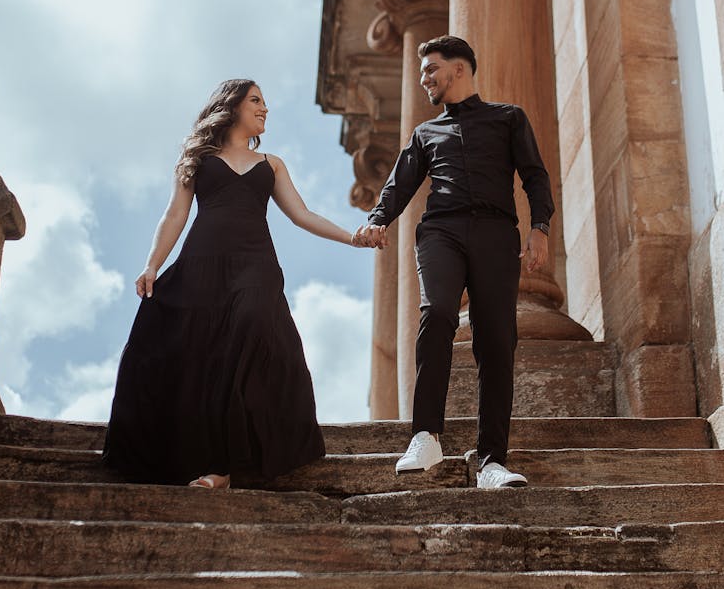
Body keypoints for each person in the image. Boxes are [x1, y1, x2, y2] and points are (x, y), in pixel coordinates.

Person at [103, 78, 377, 488]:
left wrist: (351, 237)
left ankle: (233, 461)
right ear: (232, 107)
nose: (265, 109)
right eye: (256, 101)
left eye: (265, 102)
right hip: (201, 265)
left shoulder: (272, 164)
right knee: (203, 355)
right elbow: (174, 214)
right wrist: (151, 265)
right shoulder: (198, 157)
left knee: (251, 326)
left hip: (256, 266)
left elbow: (302, 214)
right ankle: (216, 467)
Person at [355, 35, 553, 489]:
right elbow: (398, 184)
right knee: (439, 311)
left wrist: (539, 227)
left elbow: (535, 177)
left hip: (496, 234)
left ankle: (491, 463)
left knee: (497, 341)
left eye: (431, 69)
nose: (424, 78)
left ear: (459, 69)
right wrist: (378, 220)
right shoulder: (426, 133)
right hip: (441, 231)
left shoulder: (508, 118)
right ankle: (426, 435)